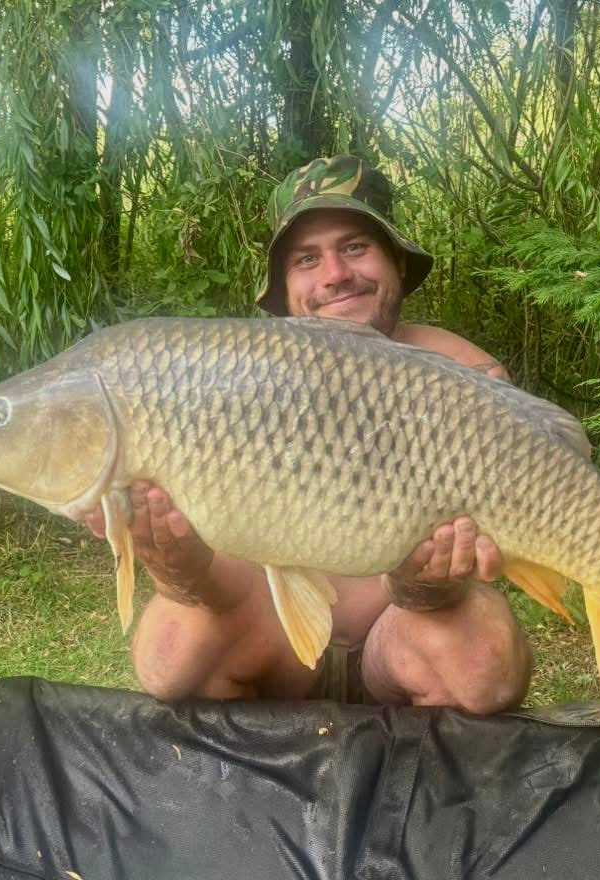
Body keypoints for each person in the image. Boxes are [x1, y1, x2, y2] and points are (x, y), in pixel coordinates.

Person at [85, 155, 533, 713]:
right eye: (305, 258)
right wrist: (180, 571)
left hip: (399, 633)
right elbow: (230, 585)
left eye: (354, 247)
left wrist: (427, 584)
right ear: (282, 286)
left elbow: (484, 559)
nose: (334, 275)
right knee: (171, 653)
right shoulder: (230, 380)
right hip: (276, 636)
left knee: (482, 666)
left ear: (395, 259)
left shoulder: (467, 380)